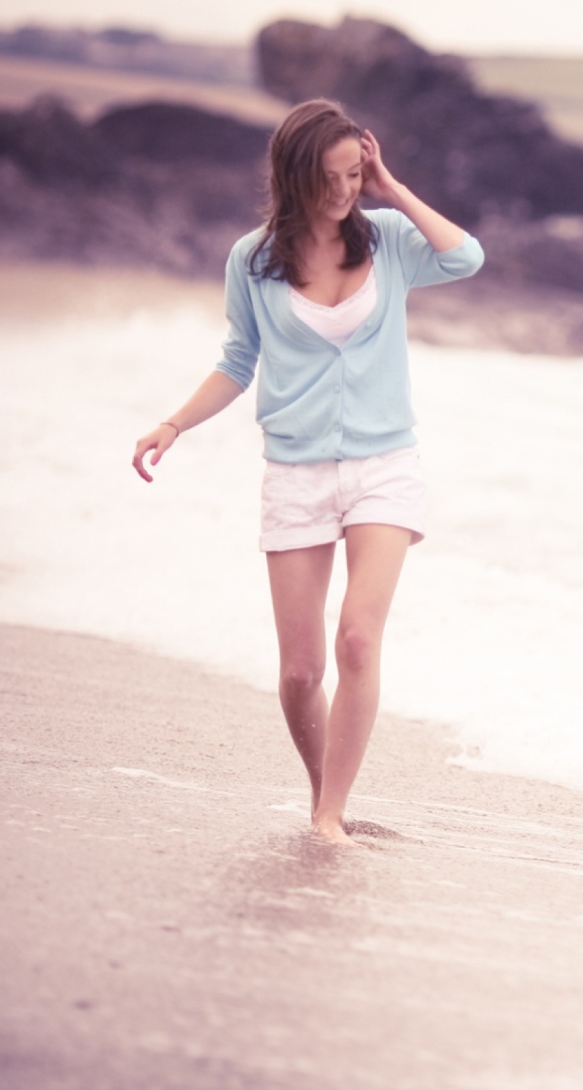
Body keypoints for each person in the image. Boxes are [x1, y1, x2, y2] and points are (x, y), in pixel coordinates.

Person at [131, 98, 483, 847]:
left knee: (358, 639)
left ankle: (329, 817)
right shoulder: (252, 259)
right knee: (299, 673)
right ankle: (325, 794)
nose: (345, 191)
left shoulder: (387, 239)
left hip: (385, 463)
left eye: (355, 174)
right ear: (295, 179)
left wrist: (393, 188)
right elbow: (236, 362)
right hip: (295, 471)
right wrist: (173, 424)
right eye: (332, 178)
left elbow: (465, 256)